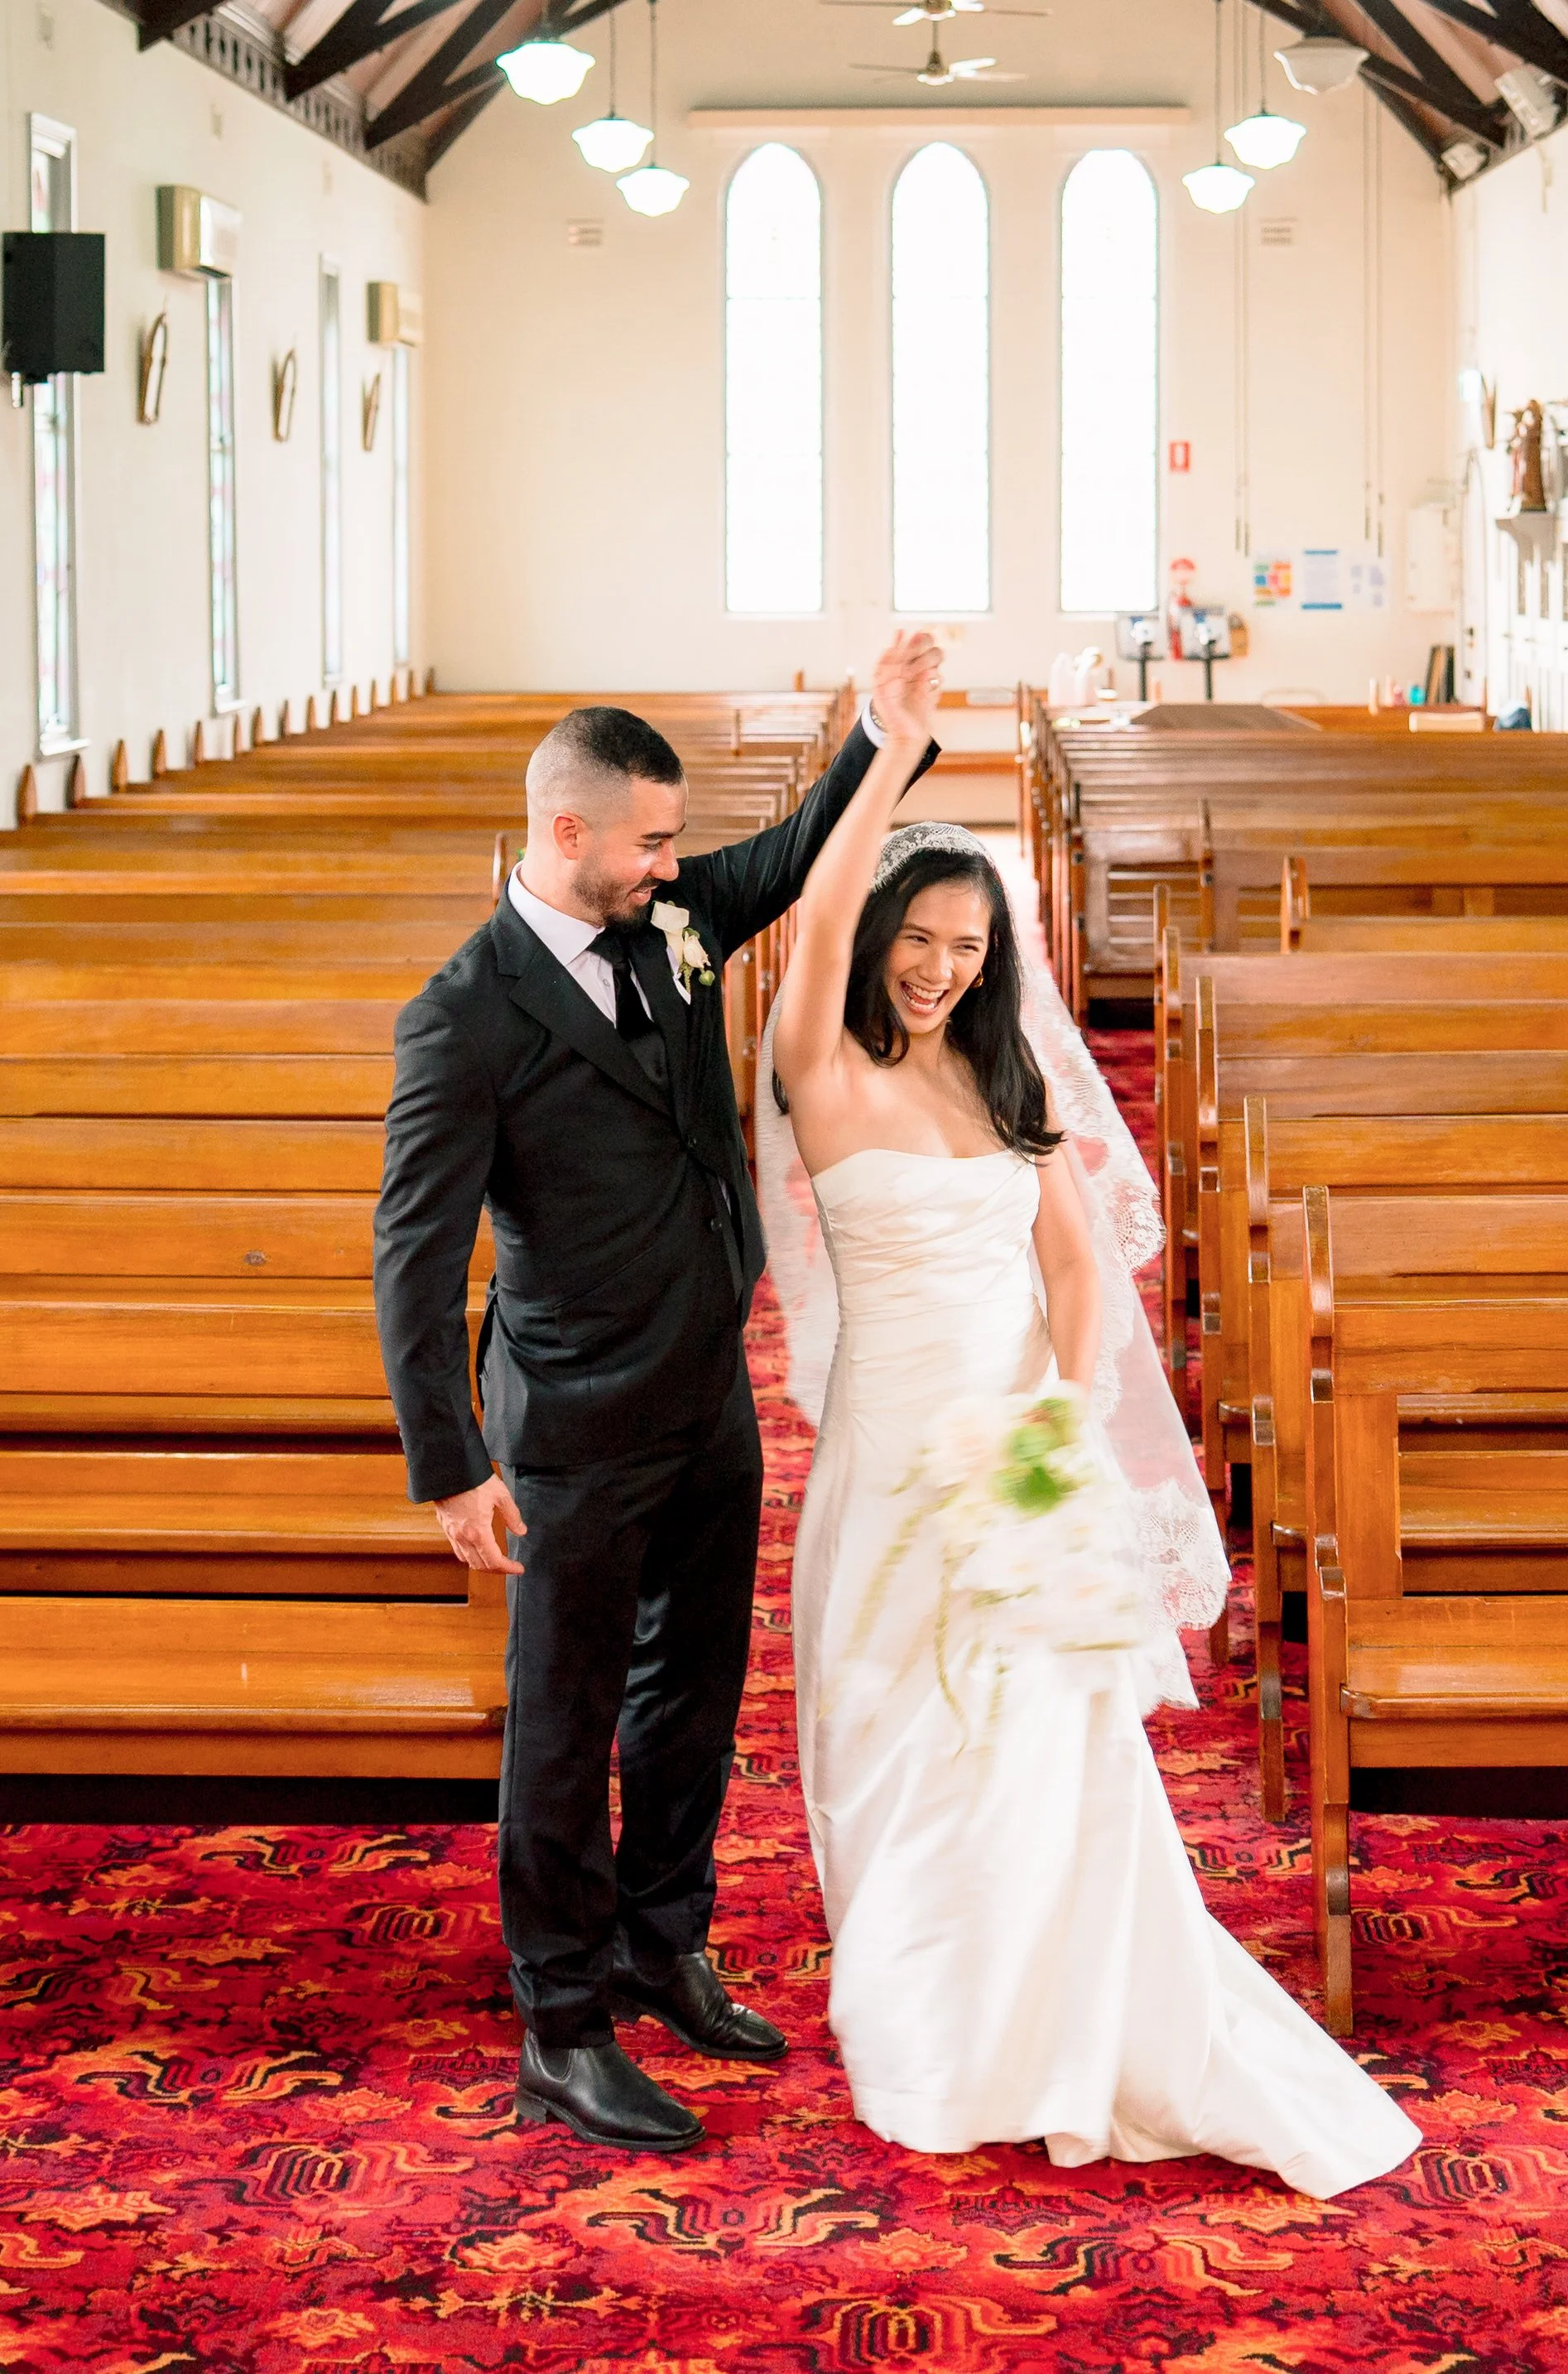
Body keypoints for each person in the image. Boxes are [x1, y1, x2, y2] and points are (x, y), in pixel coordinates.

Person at [762, 664, 1422, 2196]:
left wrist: (1056, 1429)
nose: (936, 968)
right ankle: (935, 2021)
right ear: (877, 942)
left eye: (967, 948)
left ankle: (1054, 2022)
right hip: (886, 1470)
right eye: (918, 940)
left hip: (1015, 1455)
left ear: (997, 966)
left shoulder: (1004, 1083)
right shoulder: (827, 1072)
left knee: (1042, 1752)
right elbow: (817, 912)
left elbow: (1073, 1266)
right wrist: (892, 754)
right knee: (893, 1742)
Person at [373, 636, 940, 2155]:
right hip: (566, 1423)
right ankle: (561, 2025)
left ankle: (660, 1937)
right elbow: (413, 1257)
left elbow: (790, 855)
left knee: (691, 1691)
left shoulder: (672, 914)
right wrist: (453, 1463)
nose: (675, 863)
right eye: (652, 838)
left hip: (704, 1387)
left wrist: (883, 736)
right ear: (569, 834)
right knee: (560, 1726)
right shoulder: (466, 1014)